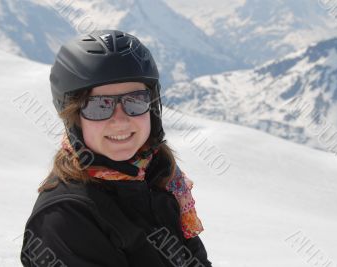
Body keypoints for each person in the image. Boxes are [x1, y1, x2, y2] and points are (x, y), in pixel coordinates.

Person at [20, 30, 212, 267]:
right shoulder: (65, 219)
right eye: (99, 106)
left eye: (135, 100)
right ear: (74, 118)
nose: (120, 120)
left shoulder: (159, 177)